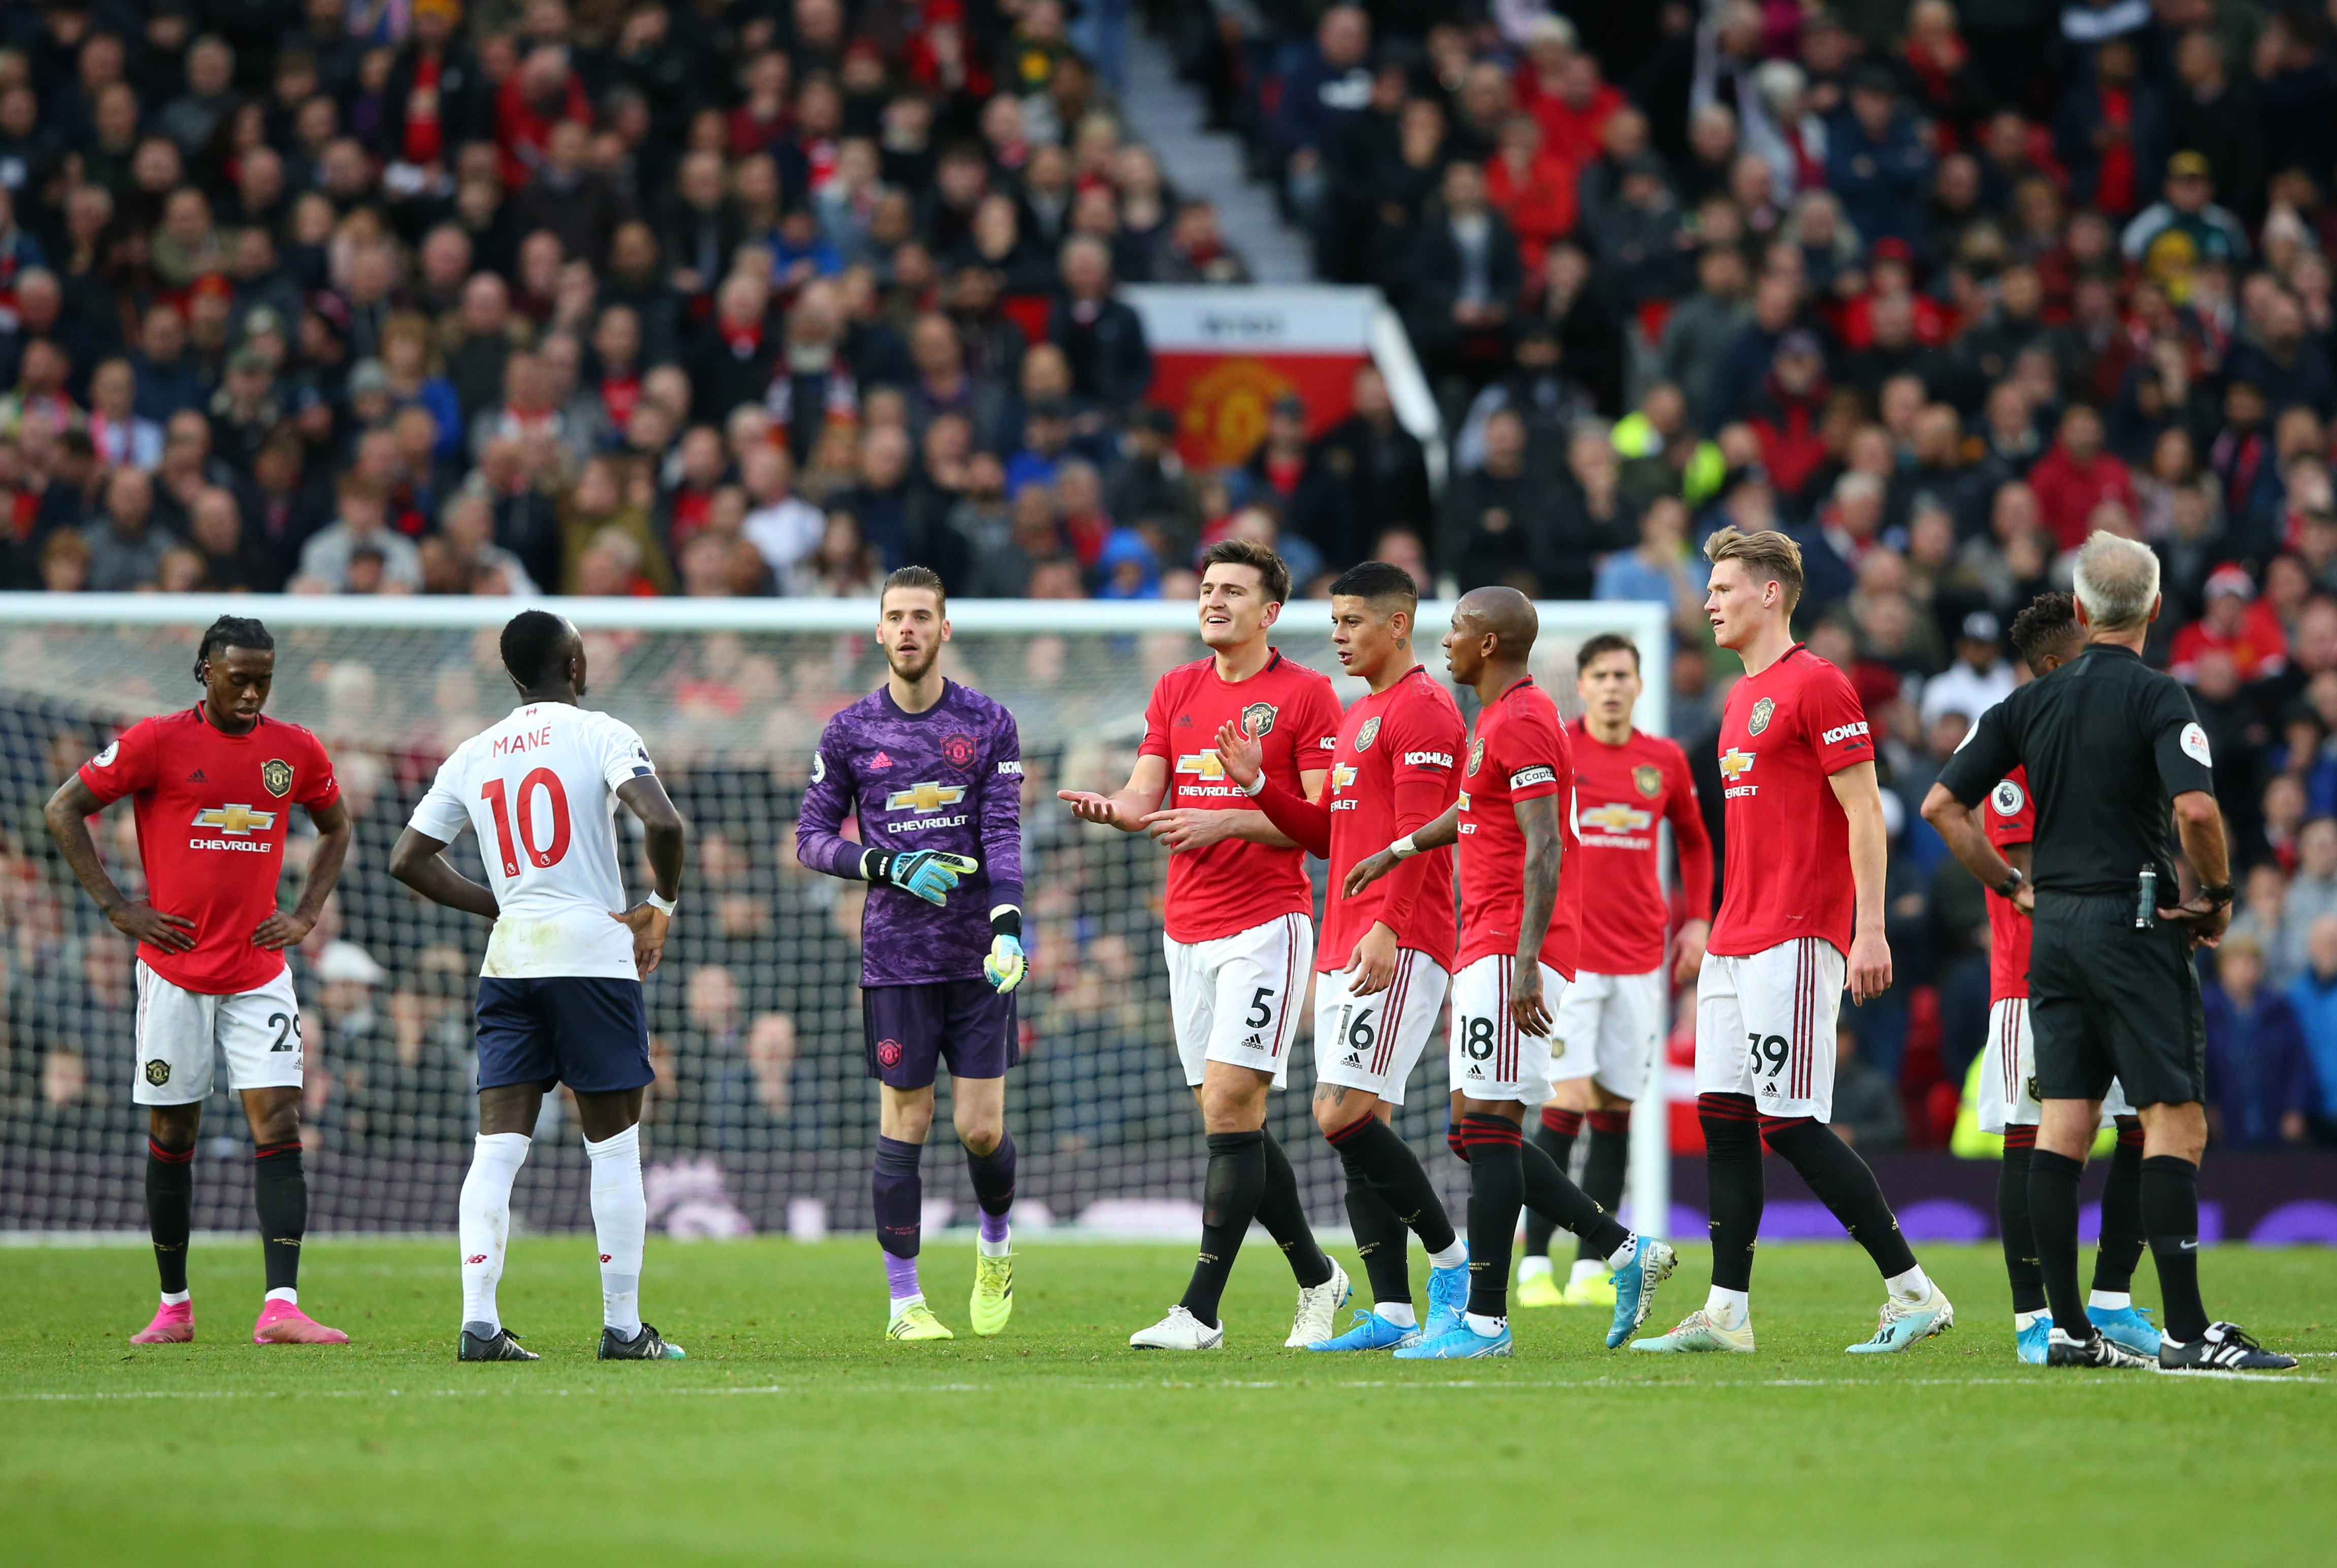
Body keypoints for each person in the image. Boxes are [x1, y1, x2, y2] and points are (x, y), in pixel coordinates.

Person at [1928, 531, 2296, 1371]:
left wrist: (2012, 886)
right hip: (2134, 925)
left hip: (2051, 934)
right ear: (2155, 609)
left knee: (2062, 1125)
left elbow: (1943, 806)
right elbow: (2197, 814)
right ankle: (2187, 1330)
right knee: (2174, 1120)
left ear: (2083, 609)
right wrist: (2216, 897)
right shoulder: (2159, 697)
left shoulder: (2029, 701)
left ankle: (2063, 1330)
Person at [1637, 528, 1957, 1356]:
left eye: (1722, 588)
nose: (1707, 602)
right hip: (1733, 941)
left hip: (1796, 936)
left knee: (1789, 1121)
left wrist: (1870, 927)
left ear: (1770, 592)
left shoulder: (1817, 685)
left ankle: (1913, 1291)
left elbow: (1863, 814)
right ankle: (1726, 1314)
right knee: (1725, 1120)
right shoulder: (1738, 699)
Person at [1345, 588, 1676, 1358]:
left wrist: (1524, 962)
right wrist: (1396, 850)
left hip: (1510, 945)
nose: (1445, 642)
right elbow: (1468, 813)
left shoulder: (1524, 720)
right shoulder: (1494, 721)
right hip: (1486, 941)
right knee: (1472, 1130)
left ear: (1490, 643)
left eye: (1456, 629)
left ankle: (1485, 1322)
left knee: (1491, 1128)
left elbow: (1545, 845)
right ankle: (1623, 1251)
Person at [1059, 539, 1350, 1350]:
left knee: (1230, 1109)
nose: (1212, 600)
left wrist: (1226, 816)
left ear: (1269, 612)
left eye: (1231, 590)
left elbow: (1324, 825)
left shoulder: (1307, 696)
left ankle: (1200, 1312)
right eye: (1206, 588)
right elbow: (1145, 793)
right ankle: (1318, 1278)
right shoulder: (1175, 689)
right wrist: (1110, 809)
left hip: (1267, 925)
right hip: (1184, 929)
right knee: (1234, 1125)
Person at [43, 616, 353, 1348]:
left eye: (263, 681)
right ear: (204, 672)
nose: (252, 694)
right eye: (239, 678)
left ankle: (281, 1307)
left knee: (278, 1124)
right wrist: (120, 908)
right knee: (173, 1129)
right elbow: (64, 809)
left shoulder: (295, 749)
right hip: (174, 973)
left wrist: (306, 913)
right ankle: (174, 1306)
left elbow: (336, 826)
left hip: (258, 972)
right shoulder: (155, 740)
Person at [388, 611, 690, 1363]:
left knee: (496, 1149)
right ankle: (623, 1329)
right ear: (577, 665)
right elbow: (665, 824)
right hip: (592, 959)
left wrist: (503, 902)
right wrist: (659, 909)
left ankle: (479, 1324)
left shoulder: (473, 752)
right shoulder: (603, 734)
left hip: (511, 963)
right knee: (615, 1150)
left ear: (515, 676)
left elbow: (408, 860)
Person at [1210, 561, 1472, 1352]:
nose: (1336, 636)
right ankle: (1392, 1310)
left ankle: (1453, 1265)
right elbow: (1333, 836)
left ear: (1398, 624)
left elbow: (1427, 839)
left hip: (1394, 935)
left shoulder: (1423, 711)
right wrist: (1260, 787)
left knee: (1339, 1114)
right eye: (1333, 621)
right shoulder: (1364, 715)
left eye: (1352, 621)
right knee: (1365, 1123)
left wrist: (1389, 925)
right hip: (1345, 934)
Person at [793, 567, 1028, 1341]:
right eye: (894, 616)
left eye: (921, 616)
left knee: (980, 1130)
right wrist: (886, 864)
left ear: (944, 629)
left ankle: (994, 1249)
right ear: (877, 630)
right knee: (907, 1119)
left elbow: (1000, 828)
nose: (907, 629)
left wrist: (1008, 925)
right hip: (896, 956)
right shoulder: (849, 731)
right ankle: (905, 1305)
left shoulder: (989, 721)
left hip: (976, 956)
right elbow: (811, 839)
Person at [1957, 592, 2161, 1365]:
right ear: (2052, 664)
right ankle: (2033, 1319)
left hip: (2116, 968)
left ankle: (2109, 1300)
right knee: (2033, 1143)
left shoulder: (2103, 726)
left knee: (2145, 1129)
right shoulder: (2015, 731)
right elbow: (2030, 870)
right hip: (2033, 981)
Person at [1517, 632, 1711, 1310]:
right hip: (1569, 957)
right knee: (1563, 1104)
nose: (1609, 685)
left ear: (1636, 683)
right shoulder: (1558, 753)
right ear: (1582, 683)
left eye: (1620, 674)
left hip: (1639, 960)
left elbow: (1694, 838)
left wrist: (1696, 919)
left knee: (1614, 1110)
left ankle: (1592, 1269)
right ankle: (1534, 1265)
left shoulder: (1663, 760)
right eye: (1598, 675)